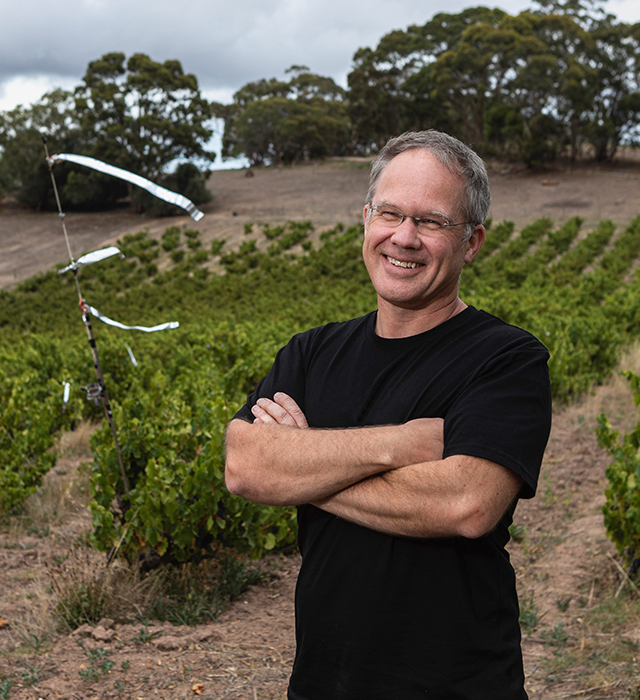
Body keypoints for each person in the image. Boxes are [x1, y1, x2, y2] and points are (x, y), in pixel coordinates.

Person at [224, 130, 552, 699]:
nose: (404, 238)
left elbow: (466, 503)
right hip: (323, 683)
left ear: (471, 242)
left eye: (431, 221)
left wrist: (302, 469)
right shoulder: (311, 352)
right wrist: (397, 446)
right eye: (390, 214)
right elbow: (245, 467)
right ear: (366, 220)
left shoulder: (507, 359)